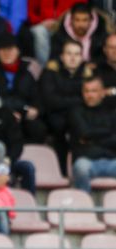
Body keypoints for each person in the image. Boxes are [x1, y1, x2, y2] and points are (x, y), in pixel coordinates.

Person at [40, 40, 93, 174]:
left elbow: (91, 99)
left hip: (80, 117)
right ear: (62, 56)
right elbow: (50, 101)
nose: (73, 58)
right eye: (69, 53)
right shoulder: (50, 72)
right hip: (56, 117)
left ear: (82, 57)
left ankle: (80, 171)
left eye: (77, 54)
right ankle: (62, 173)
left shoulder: (88, 75)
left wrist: (65, 99)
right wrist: (78, 99)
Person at [0, 32, 47, 144]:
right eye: (2, 49)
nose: (6, 53)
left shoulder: (31, 67)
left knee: (38, 128)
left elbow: (41, 93)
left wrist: (37, 109)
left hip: (27, 114)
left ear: (18, 50)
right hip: (1, 113)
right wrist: (11, 112)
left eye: (10, 49)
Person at [69, 76, 116, 192]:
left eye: (94, 91)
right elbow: (84, 132)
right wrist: (108, 132)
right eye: (86, 91)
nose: (89, 95)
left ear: (102, 92)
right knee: (81, 167)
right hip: (86, 160)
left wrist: (91, 139)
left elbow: (88, 135)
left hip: (111, 160)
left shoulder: (111, 112)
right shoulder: (75, 112)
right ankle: (84, 207)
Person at [96, 33, 116, 108]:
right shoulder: (96, 70)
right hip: (103, 113)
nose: (115, 51)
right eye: (111, 47)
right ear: (105, 49)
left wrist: (112, 91)